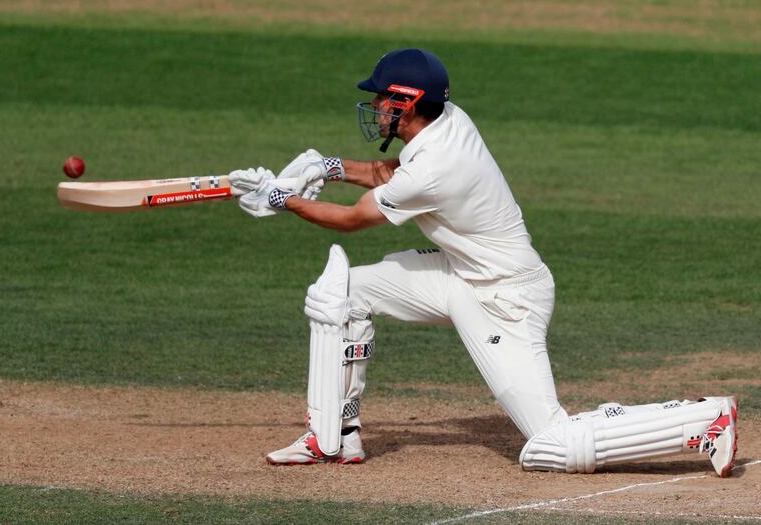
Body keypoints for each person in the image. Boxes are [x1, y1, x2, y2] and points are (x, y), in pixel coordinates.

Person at [228, 48, 738, 475]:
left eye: (382, 97)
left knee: (551, 444)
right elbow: (389, 173)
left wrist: (280, 201)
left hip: (505, 299)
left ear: (407, 102)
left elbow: (350, 220)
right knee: (343, 294)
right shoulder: (448, 121)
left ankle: (700, 420)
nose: (375, 105)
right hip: (460, 274)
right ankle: (335, 435)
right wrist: (326, 167)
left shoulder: (436, 168)